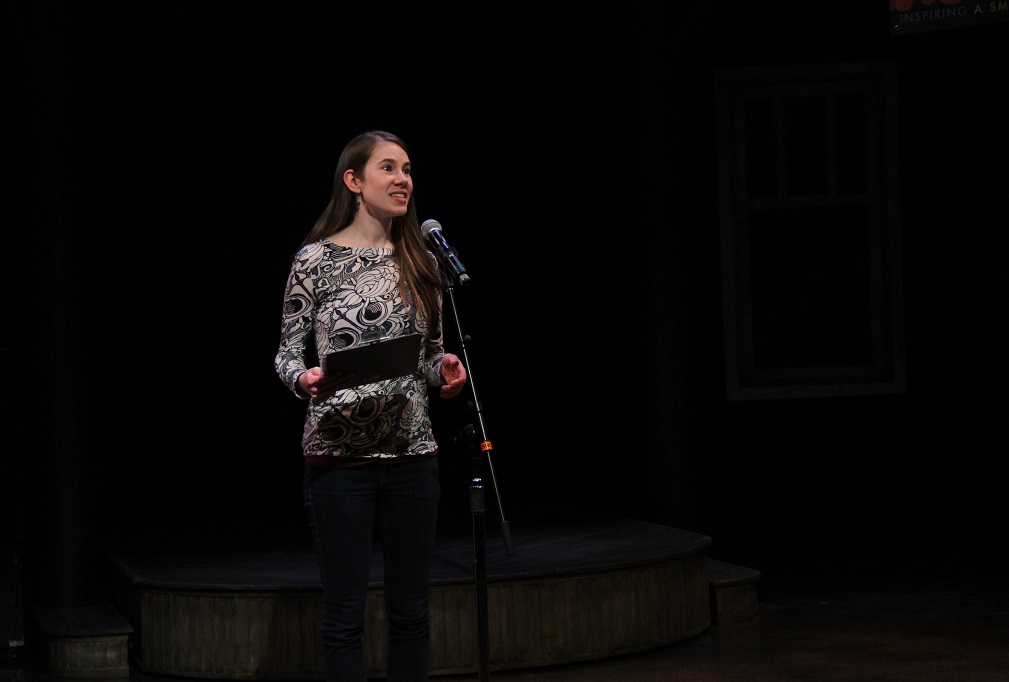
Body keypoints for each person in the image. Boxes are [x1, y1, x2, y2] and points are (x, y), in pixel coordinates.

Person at [274, 130, 468, 681]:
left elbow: (427, 357)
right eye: (389, 168)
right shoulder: (315, 260)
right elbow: (286, 353)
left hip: (413, 456)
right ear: (354, 180)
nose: (403, 179)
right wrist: (303, 379)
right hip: (339, 460)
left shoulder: (422, 259)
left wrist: (445, 370)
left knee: (411, 613)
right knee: (344, 617)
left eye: (407, 169)